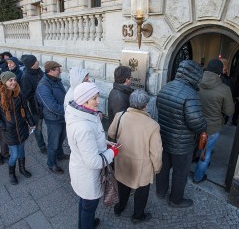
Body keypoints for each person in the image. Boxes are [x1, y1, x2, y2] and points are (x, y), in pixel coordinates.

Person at [65, 82, 117, 229]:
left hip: (80, 169)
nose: (98, 101)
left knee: (84, 202)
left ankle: (84, 224)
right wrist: (113, 152)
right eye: (94, 98)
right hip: (87, 175)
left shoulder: (80, 114)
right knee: (89, 205)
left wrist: (105, 143)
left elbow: (91, 141)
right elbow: (94, 162)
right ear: (83, 101)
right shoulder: (83, 127)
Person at [156, 60, 207, 208]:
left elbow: (159, 107)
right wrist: (205, 125)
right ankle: (176, 200)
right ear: (194, 75)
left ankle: (160, 191)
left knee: (163, 168)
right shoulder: (191, 95)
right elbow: (197, 123)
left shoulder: (166, 87)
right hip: (182, 144)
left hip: (164, 137)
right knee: (180, 173)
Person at [108, 89, 162, 224]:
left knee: (123, 185)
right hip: (142, 165)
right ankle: (138, 216)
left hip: (123, 160)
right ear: (145, 105)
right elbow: (156, 151)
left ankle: (119, 208)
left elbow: (111, 133)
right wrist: (157, 167)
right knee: (142, 191)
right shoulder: (153, 125)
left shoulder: (120, 116)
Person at [0, 71, 35, 185]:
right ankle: (11, 173)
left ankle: (22, 169)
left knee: (22, 151)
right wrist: (3, 126)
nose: (13, 82)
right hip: (9, 130)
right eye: (10, 80)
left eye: (14, 80)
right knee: (14, 154)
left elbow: (25, 108)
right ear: (5, 82)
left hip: (21, 127)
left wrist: (31, 122)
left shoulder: (18, 92)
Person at [193, 59, 234, 183]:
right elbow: (229, 111)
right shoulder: (224, 89)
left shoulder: (196, 82)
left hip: (195, 122)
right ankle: (198, 177)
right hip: (212, 127)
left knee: (194, 145)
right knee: (206, 153)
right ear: (220, 72)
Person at [36, 61, 69, 174]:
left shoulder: (56, 81)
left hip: (62, 117)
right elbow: (52, 107)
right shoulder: (43, 86)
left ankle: (60, 155)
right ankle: (51, 163)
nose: (60, 71)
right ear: (51, 71)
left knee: (61, 138)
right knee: (53, 143)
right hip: (53, 119)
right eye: (58, 69)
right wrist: (68, 111)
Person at [20, 55, 47, 154]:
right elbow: (27, 95)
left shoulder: (39, 71)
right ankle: (42, 146)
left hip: (46, 105)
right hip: (36, 108)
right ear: (31, 65)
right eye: (35, 61)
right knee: (38, 128)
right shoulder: (25, 77)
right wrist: (39, 96)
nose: (38, 62)